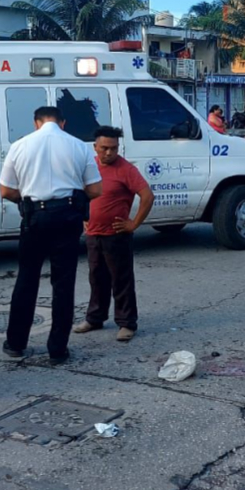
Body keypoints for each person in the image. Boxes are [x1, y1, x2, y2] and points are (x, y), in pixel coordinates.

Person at [0, 106, 103, 365]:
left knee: (26, 280)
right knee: (63, 284)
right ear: (63, 123)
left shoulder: (19, 145)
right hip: (67, 218)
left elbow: (5, 191)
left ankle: (15, 344)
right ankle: (57, 349)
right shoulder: (79, 146)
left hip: (34, 218)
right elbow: (96, 189)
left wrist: (27, 199)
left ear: (36, 123)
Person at [74, 126, 155, 343]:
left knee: (121, 280)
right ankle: (95, 318)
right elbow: (81, 192)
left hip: (116, 234)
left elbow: (147, 196)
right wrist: (83, 215)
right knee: (96, 278)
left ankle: (127, 323)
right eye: (104, 148)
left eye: (114, 148)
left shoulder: (125, 169)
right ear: (95, 147)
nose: (109, 152)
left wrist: (133, 224)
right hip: (93, 233)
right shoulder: (88, 166)